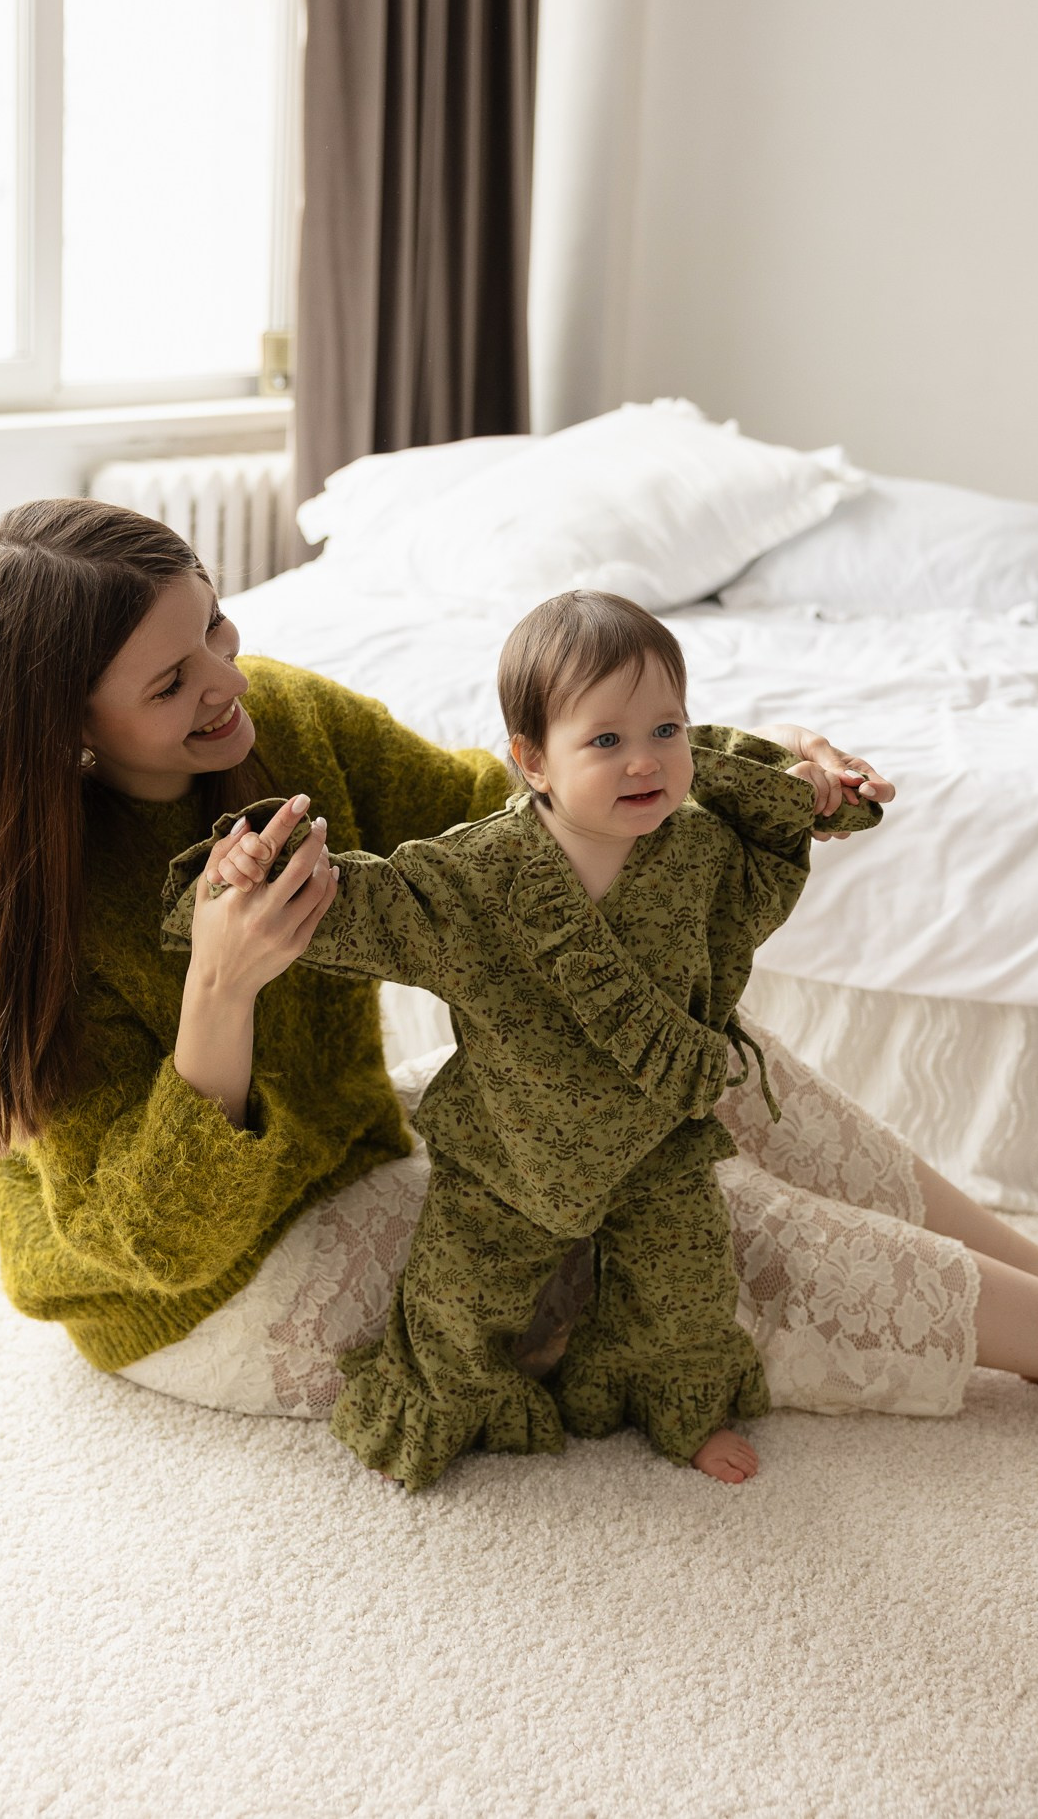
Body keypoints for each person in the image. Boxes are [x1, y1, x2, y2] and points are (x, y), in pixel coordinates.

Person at [0, 498, 1038, 1471]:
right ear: (68, 724)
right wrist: (219, 993)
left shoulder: (280, 719)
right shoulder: (35, 906)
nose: (225, 680)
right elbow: (153, 1242)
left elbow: (513, 820)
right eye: (171, 680)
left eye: (217, 623)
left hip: (355, 1149)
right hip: (207, 1290)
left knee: (693, 1067)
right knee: (690, 1220)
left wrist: (758, 773)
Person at [163, 591, 882, 1490]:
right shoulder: (473, 876)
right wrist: (246, 867)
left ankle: (681, 1403)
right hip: (510, 1152)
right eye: (605, 741)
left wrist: (802, 784)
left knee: (689, 1290)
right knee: (453, 1303)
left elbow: (769, 854)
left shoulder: (700, 851)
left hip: (660, 1141)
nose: (646, 762)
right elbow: (364, 900)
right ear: (532, 760)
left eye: (667, 730)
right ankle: (437, 1409)